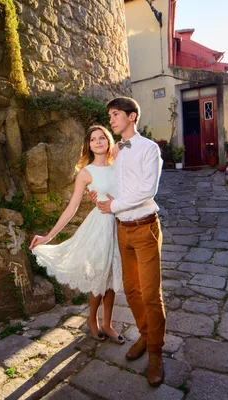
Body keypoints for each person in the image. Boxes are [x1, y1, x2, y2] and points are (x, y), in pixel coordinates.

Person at [94, 97, 166, 387]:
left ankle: (156, 353)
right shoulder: (116, 152)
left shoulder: (149, 149)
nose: (111, 120)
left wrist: (115, 205)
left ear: (132, 116)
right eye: (109, 114)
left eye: (115, 114)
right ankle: (146, 336)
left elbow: (148, 190)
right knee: (132, 290)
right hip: (122, 229)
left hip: (145, 228)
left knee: (151, 293)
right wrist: (106, 200)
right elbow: (114, 183)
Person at [30, 125, 125, 345]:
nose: (99, 142)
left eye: (103, 138)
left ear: (109, 141)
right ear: (88, 145)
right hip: (100, 226)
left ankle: (108, 324)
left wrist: (119, 145)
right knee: (100, 277)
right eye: (93, 139)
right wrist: (48, 237)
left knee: (113, 279)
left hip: (120, 224)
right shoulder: (85, 173)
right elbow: (71, 208)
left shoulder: (118, 164)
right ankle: (92, 319)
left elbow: (129, 146)